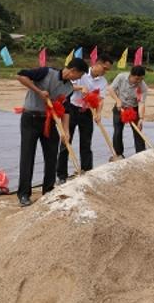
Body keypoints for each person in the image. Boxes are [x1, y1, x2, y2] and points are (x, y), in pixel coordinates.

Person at [15, 57, 88, 207]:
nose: (78, 79)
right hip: (30, 118)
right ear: (73, 71)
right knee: (27, 156)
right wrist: (39, 91)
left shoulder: (68, 88)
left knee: (51, 155)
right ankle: (24, 194)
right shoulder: (46, 72)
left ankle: (48, 190)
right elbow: (20, 76)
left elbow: (66, 110)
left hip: (48, 121)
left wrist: (66, 131)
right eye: (79, 76)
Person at [57, 54, 113, 184]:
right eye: (104, 68)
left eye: (107, 70)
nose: (105, 71)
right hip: (71, 109)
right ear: (97, 64)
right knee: (66, 141)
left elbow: (100, 99)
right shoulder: (81, 73)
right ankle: (61, 175)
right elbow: (68, 85)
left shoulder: (103, 82)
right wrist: (80, 87)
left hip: (87, 112)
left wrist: (98, 113)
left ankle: (87, 171)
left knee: (86, 143)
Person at [108, 65, 149, 157]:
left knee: (137, 130)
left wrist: (141, 118)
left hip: (133, 109)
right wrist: (118, 100)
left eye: (141, 79)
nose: (139, 81)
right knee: (118, 131)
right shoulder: (121, 77)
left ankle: (141, 154)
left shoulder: (143, 86)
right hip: (120, 107)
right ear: (131, 75)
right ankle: (118, 154)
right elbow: (111, 89)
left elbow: (141, 103)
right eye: (137, 79)